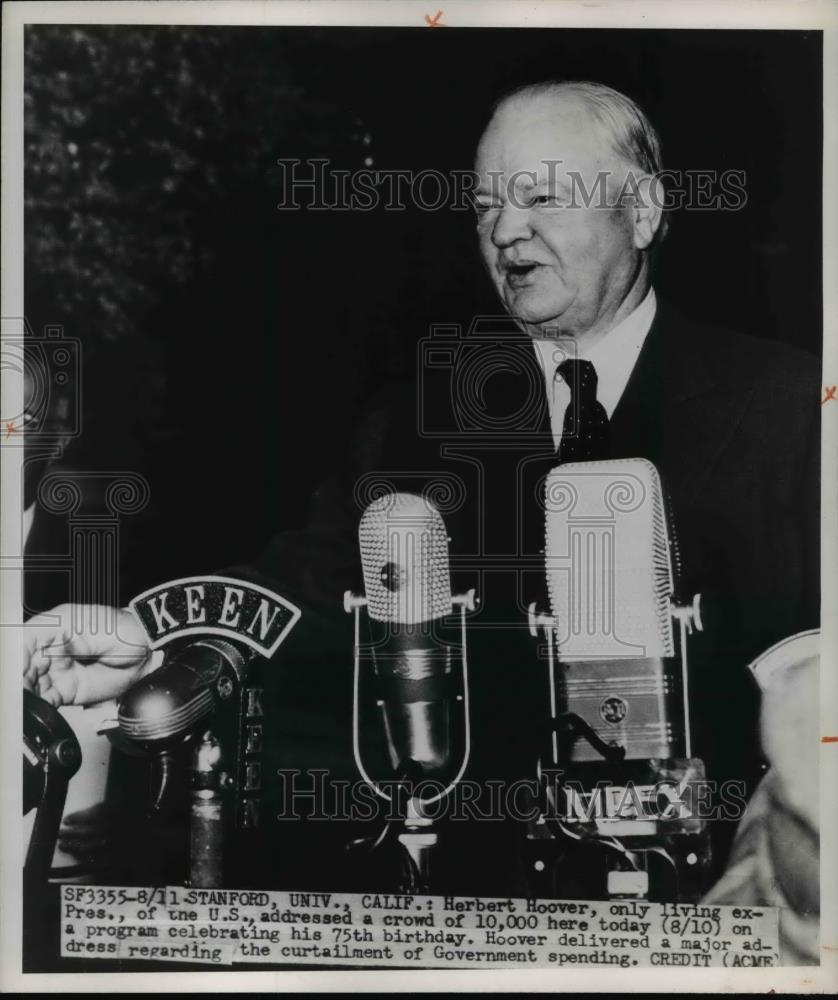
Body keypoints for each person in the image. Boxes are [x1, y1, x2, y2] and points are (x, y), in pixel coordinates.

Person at [22, 81, 820, 889]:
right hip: (486, 916)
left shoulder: (795, 412)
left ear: (643, 210)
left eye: (540, 195)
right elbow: (297, 592)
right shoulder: (416, 427)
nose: (507, 231)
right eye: (484, 207)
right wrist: (147, 642)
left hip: (737, 912)